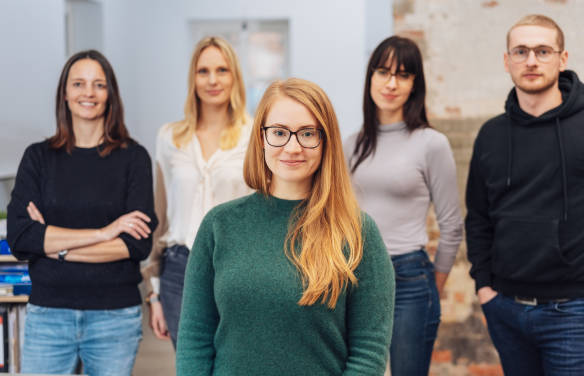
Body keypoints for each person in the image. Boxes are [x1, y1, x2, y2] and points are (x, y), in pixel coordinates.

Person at [176, 78, 395, 375]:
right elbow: (195, 338)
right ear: (262, 138)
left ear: (325, 140)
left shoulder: (358, 232)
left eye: (307, 134)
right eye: (279, 132)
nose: (293, 147)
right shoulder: (219, 226)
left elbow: (369, 352)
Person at [466, 14, 584, 375]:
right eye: (521, 51)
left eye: (543, 51)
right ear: (507, 61)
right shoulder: (492, 135)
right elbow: (479, 216)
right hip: (507, 309)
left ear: (562, 59)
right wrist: (485, 288)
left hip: (578, 309)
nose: (531, 61)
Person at [7, 50, 157, 376]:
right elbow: (21, 237)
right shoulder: (38, 158)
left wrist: (54, 245)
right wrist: (104, 233)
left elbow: (136, 246)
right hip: (48, 313)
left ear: (110, 94)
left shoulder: (134, 159)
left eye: (98, 85)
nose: (88, 93)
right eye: (78, 83)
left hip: (114, 317)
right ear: (65, 92)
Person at [345, 35, 463, 375]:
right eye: (383, 72)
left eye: (403, 74)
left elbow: (452, 225)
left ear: (415, 84)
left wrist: (434, 285)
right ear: (371, 78)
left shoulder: (431, 144)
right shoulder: (350, 145)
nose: (391, 83)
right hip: (355, 275)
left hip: (409, 278)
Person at [141, 36, 252, 348]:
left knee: (238, 363)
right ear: (193, 77)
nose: (213, 80)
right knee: (191, 366)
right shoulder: (169, 138)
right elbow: (159, 217)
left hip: (238, 267)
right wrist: (154, 293)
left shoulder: (255, 135)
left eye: (222, 70)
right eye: (203, 71)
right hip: (180, 270)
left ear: (235, 77)